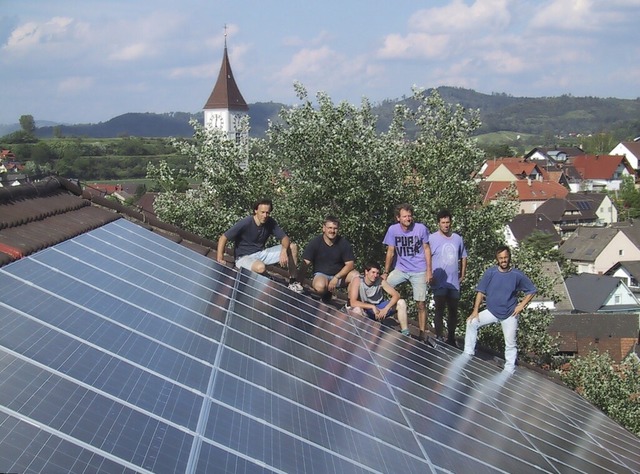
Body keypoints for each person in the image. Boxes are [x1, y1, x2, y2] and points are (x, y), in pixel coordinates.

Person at [464, 245, 537, 374]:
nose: (504, 260)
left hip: (510, 313)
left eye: (506, 258)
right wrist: (475, 311)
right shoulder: (490, 273)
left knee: (510, 343)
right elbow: (480, 292)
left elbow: (531, 290)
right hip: (492, 311)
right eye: (501, 258)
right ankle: (468, 353)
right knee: (471, 322)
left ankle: (509, 369)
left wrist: (521, 305)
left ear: (509, 258)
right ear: (497, 259)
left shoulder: (517, 275)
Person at [217, 198, 303, 293]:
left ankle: (293, 282)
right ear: (256, 211)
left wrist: (283, 250)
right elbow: (223, 238)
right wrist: (220, 258)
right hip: (243, 257)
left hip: (260, 254)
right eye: (262, 212)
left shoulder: (270, 222)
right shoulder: (246, 222)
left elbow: (285, 238)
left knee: (292, 247)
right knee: (260, 267)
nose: (265, 215)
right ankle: (265, 276)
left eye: (267, 213)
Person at [382, 203, 432, 341]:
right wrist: (385, 272)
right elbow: (390, 252)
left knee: (420, 303)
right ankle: (380, 313)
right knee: (381, 285)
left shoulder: (421, 229)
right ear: (398, 218)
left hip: (419, 270)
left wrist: (429, 271)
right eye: (404, 216)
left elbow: (427, 249)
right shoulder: (393, 230)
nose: (408, 218)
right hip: (401, 268)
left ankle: (422, 333)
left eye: (409, 216)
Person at [300, 215, 358, 303]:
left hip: (339, 277)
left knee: (356, 276)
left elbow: (350, 265)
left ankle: (350, 303)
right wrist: (298, 282)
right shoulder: (315, 242)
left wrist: (336, 277)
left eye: (335, 228)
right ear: (324, 228)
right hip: (322, 275)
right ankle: (326, 293)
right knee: (320, 286)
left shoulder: (344, 243)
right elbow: (306, 263)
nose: (332, 231)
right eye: (330, 228)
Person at [430, 209, 467, 346]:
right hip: (439, 281)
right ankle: (439, 336)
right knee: (439, 308)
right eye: (443, 222)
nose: (446, 225)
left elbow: (464, 256)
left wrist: (462, 274)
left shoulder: (457, 238)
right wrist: (428, 274)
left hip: (453, 282)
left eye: (448, 222)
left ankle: (451, 337)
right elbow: (426, 257)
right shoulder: (432, 238)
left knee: (453, 310)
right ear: (439, 223)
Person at [346, 262, 410, 336]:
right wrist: (372, 307)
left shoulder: (380, 281)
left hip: (380, 309)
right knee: (356, 310)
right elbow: (353, 302)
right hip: (367, 310)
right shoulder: (358, 280)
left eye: (377, 273)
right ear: (366, 272)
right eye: (373, 272)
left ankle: (405, 332)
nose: (375, 275)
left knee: (401, 303)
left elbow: (396, 295)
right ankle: (357, 333)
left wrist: (386, 309)